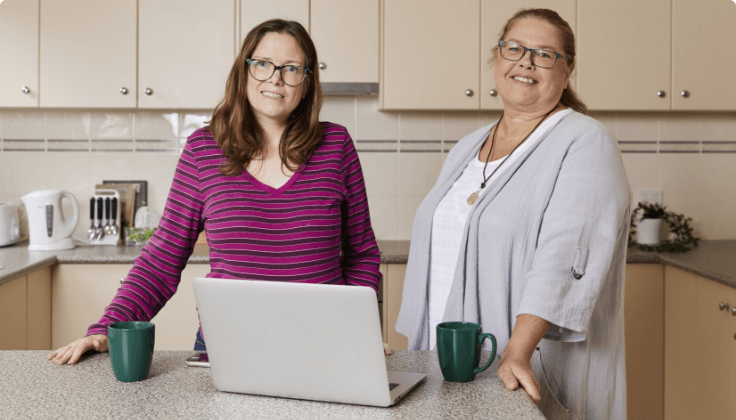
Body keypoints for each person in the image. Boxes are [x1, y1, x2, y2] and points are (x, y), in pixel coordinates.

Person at [48, 19, 382, 365]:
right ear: (244, 71)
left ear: (307, 82)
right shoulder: (202, 150)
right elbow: (162, 260)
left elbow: (362, 255)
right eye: (263, 64)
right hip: (226, 346)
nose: (276, 79)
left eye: (292, 68)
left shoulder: (336, 146)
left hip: (324, 344)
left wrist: (360, 330)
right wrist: (106, 327)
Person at [395, 9, 629, 420]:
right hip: (449, 359)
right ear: (497, 58)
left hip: (524, 361)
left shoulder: (584, 141)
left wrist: (516, 351)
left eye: (544, 54)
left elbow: (563, 256)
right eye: (515, 48)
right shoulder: (469, 145)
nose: (526, 62)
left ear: (567, 69)